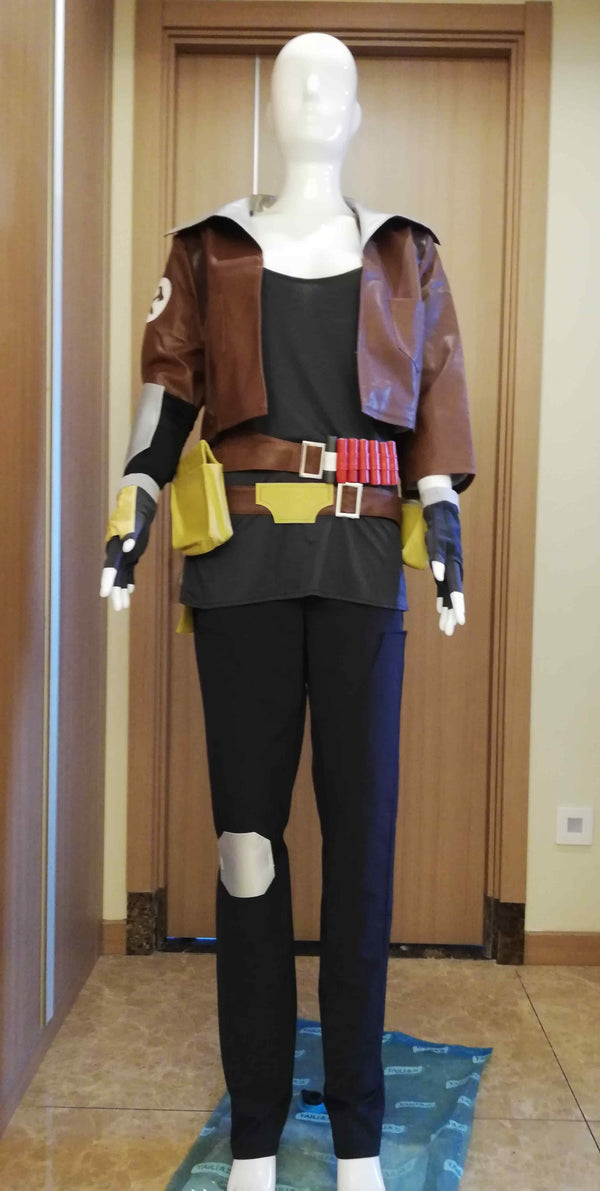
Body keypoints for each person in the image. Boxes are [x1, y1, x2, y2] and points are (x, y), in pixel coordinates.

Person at [101, 31, 475, 1191]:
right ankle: (257, 1126)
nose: (314, 97)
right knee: (247, 851)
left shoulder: (406, 252)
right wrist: (134, 502)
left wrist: (444, 527)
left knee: (361, 850)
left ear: (358, 114)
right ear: (270, 108)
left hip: (361, 573)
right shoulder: (209, 249)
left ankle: (357, 1132)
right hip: (243, 576)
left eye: (335, 85)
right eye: (294, 82)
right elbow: (167, 397)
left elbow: (436, 405)